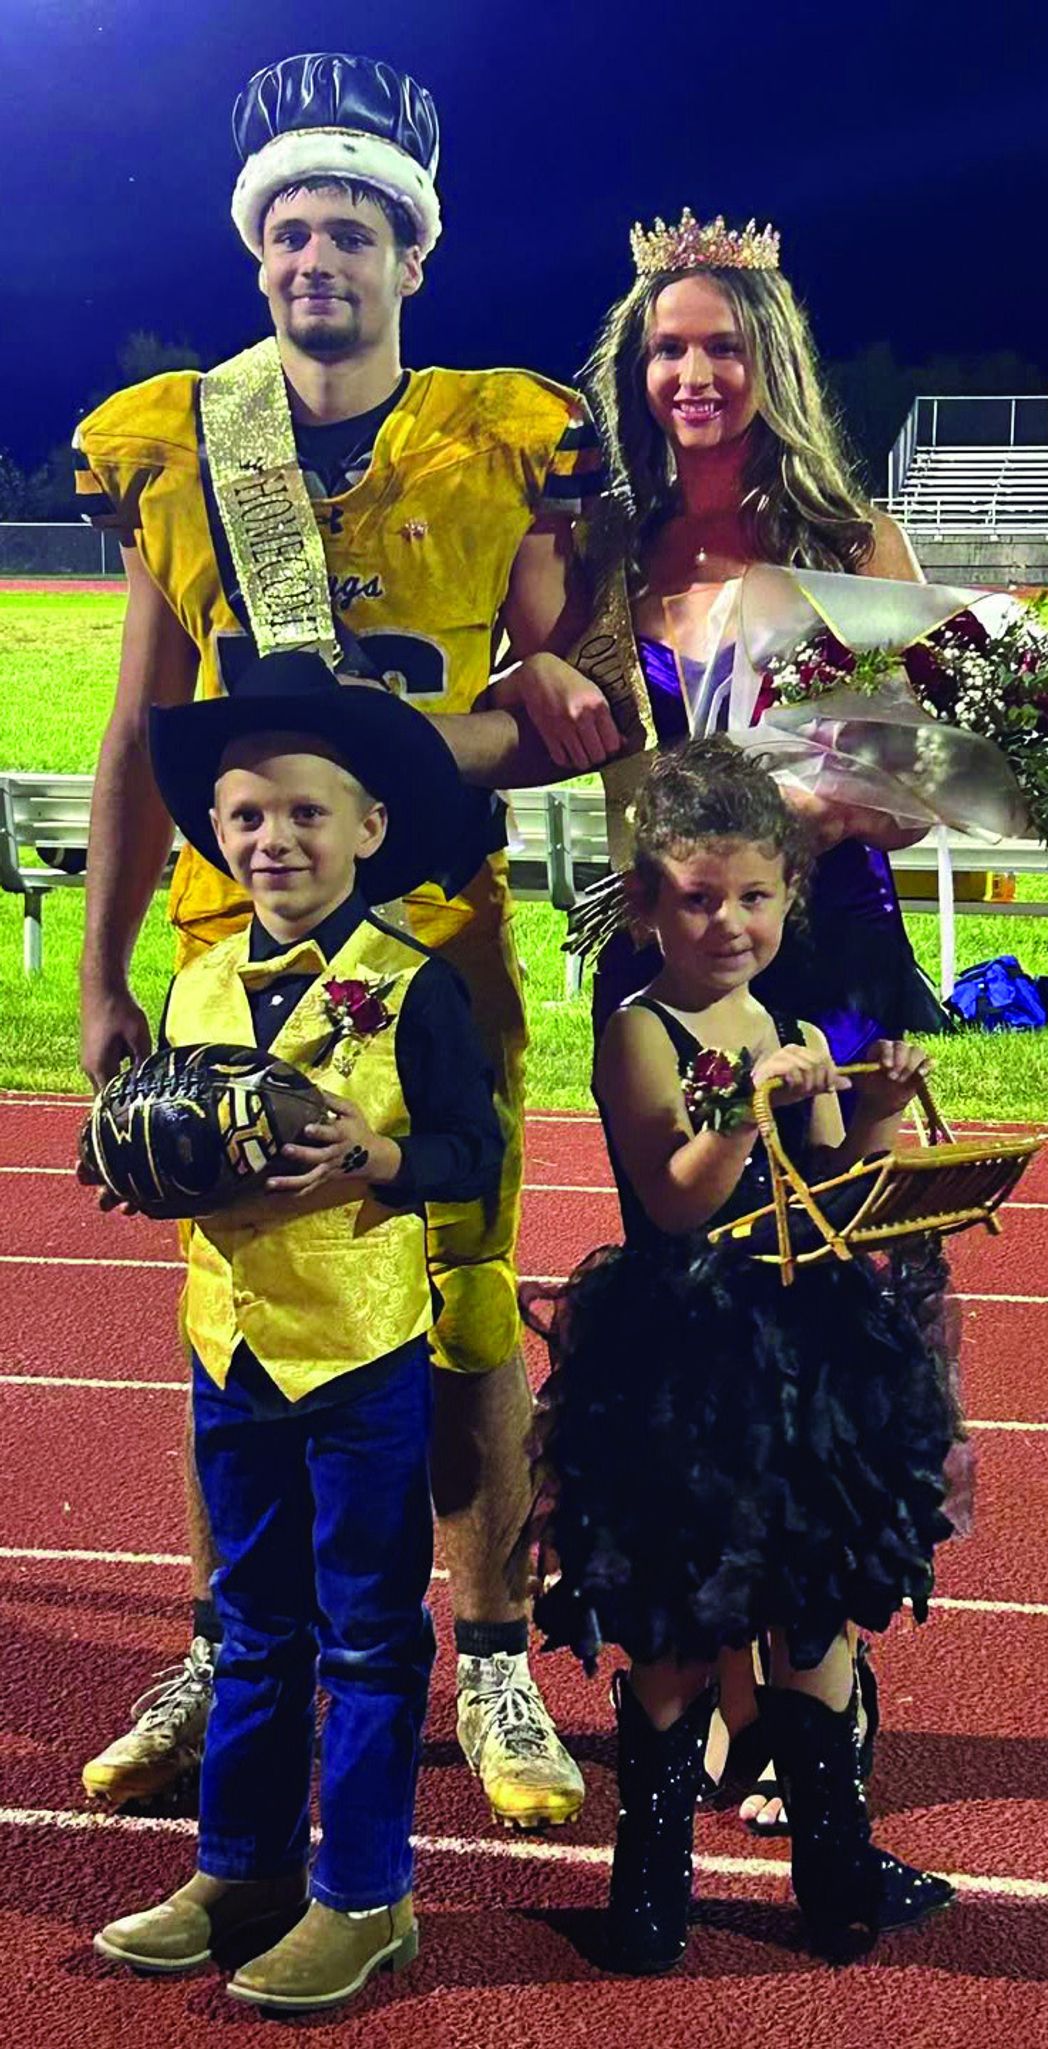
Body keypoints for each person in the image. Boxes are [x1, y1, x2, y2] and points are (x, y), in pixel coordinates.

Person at [74, 50, 620, 1827]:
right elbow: (140, 726)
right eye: (292, 231)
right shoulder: (183, 440)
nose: (320, 259)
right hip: (232, 953)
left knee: (456, 1313)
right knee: (240, 1312)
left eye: (355, 232)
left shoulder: (499, 436)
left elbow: (577, 690)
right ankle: (241, 1646)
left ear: (412, 254)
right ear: (259, 253)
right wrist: (97, 976)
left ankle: (492, 1650)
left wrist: (496, 718)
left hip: (434, 949)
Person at [493, 207, 947, 1824]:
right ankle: (743, 1701)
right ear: (636, 369)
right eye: (666, 345)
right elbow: (513, 696)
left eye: (721, 342)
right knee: (696, 1337)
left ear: (772, 359)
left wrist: (864, 797)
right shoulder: (598, 550)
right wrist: (528, 674)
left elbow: (934, 770)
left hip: (830, 972)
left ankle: (831, 1682)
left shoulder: (855, 536)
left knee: (834, 1332)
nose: (693, 370)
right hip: (665, 987)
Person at [88, 649, 505, 2009]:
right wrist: (130, 1162)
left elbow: (472, 1145)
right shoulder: (197, 981)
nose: (274, 839)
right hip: (230, 1351)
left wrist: (381, 1163)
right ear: (216, 829)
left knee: (373, 1633)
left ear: (369, 828)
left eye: (306, 814)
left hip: (360, 1356)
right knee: (251, 1624)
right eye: (247, 815)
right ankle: (240, 1868)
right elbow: (179, 1145)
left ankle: (366, 1894)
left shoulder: (414, 981)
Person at [527, 736, 957, 1973]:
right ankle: (650, 1891)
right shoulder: (640, 1029)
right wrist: (747, 1102)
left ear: (787, 898)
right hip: (679, 1363)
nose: (730, 923)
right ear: (652, 901)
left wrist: (870, 1097)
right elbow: (671, 1201)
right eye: (700, 898)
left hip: (801, 1365)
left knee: (812, 1615)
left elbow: (832, 1180)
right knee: (672, 1619)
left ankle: (836, 1871)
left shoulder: (781, 1013)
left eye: (755, 898)